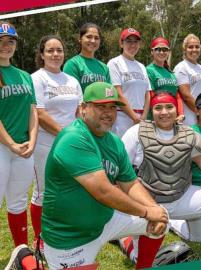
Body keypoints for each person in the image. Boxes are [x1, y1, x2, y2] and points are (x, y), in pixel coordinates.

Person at [41, 82, 168, 270]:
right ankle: (24, 261)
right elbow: (104, 192)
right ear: (83, 108)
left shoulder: (114, 141)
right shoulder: (73, 137)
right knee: (153, 215)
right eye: (101, 107)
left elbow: (130, 183)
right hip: (71, 236)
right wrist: (147, 212)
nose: (108, 113)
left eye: (112, 107)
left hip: (106, 220)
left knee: (162, 219)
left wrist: (154, 210)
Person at [121, 92, 201, 263]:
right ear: (152, 111)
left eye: (169, 107)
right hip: (146, 202)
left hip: (179, 196)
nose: (164, 112)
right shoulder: (136, 132)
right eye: (158, 108)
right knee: (141, 257)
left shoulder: (189, 134)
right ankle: (125, 242)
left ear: (176, 109)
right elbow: (122, 172)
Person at [30, 35, 82, 251]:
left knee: (69, 187)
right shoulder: (36, 78)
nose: (55, 54)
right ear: (41, 54)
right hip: (45, 143)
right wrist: (65, 135)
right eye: (50, 50)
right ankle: (39, 238)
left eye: (59, 50)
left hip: (70, 143)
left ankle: (65, 230)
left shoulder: (72, 80)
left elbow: (80, 110)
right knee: (43, 192)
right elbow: (39, 114)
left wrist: (78, 135)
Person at [0, 22, 38, 248]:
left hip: (24, 147)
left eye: (10, 41)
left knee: (18, 202)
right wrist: (12, 144)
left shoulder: (24, 75)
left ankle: (21, 253)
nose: (6, 46)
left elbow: (32, 110)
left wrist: (32, 140)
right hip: (3, 147)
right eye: (1, 42)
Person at [107, 27, 151, 136]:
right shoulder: (114, 63)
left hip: (141, 118)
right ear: (121, 44)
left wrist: (143, 117)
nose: (133, 45)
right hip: (122, 117)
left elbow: (147, 93)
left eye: (136, 41)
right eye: (128, 41)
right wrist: (134, 117)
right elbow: (117, 94)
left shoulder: (141, 67)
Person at [174, 34, 201, 125]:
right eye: (190, 47)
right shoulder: (181, 67)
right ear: (185, 49)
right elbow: (186, 96)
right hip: (189, 119)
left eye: (197, 47)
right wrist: (200, 113)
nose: (194, 50)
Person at [63, 23, 111, 92]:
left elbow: (109, 93)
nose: (93, 41)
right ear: (80, 39)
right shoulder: (72, 65)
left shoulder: (104, 67)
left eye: (96, 38)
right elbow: (71, 94)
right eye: (89, 37)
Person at [146, 36, 184, 122]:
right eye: (158, 49)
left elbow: (177, 96)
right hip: (157, 117)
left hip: (172, 117)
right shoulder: (149, 70)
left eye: (165, 49)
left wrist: (181, 113)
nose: (162, 52)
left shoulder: (171, 73)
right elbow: (150, 96)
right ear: (152, 52)